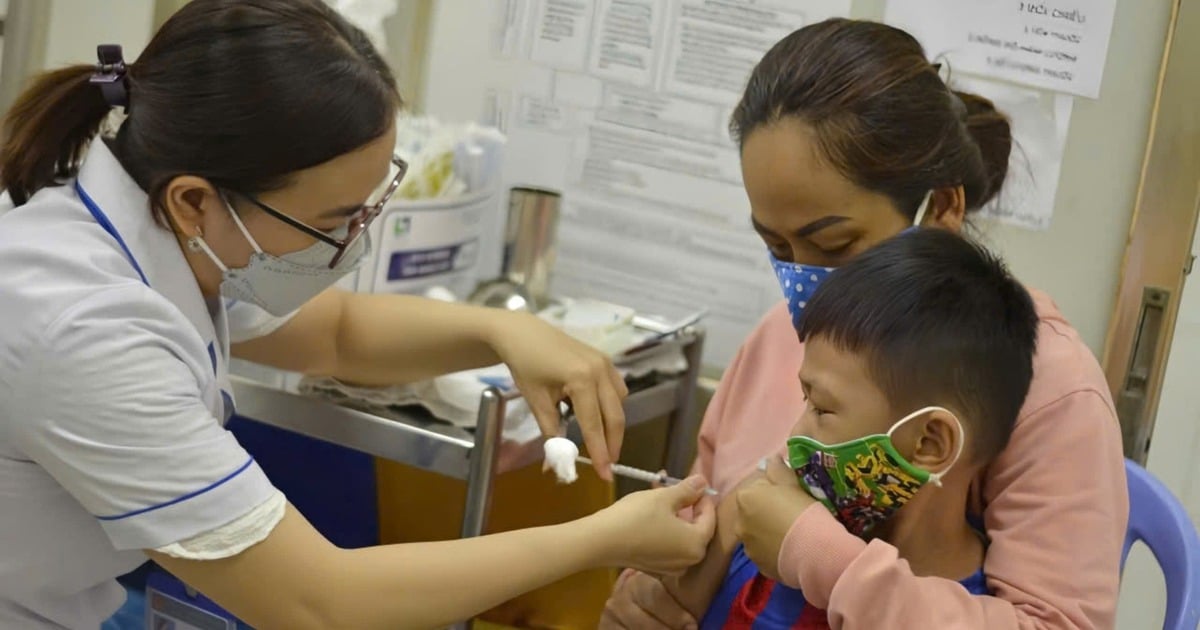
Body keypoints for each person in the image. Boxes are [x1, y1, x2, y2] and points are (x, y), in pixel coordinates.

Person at [0, 1, 715, 628]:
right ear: (195, 201)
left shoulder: (158, 226)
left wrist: (503, 329)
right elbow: (320, 603)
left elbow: (335, 336)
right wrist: (602, 538)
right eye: (333, 221)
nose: (350, 244)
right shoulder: (84, 327)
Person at [603, 18, 1127, 629]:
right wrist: (648, 593)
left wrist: (822, 557)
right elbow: (704, 506)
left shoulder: (1050, 388)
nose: (804, 284)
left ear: (943, 210)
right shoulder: (780, 334)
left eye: (835, 242)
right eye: (777, 246)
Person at [660, 229, 1040, 628]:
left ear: (929, 443)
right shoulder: (761, 538)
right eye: (806, 400)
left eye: (822, 409)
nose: (793, 435)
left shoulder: (971, 613)